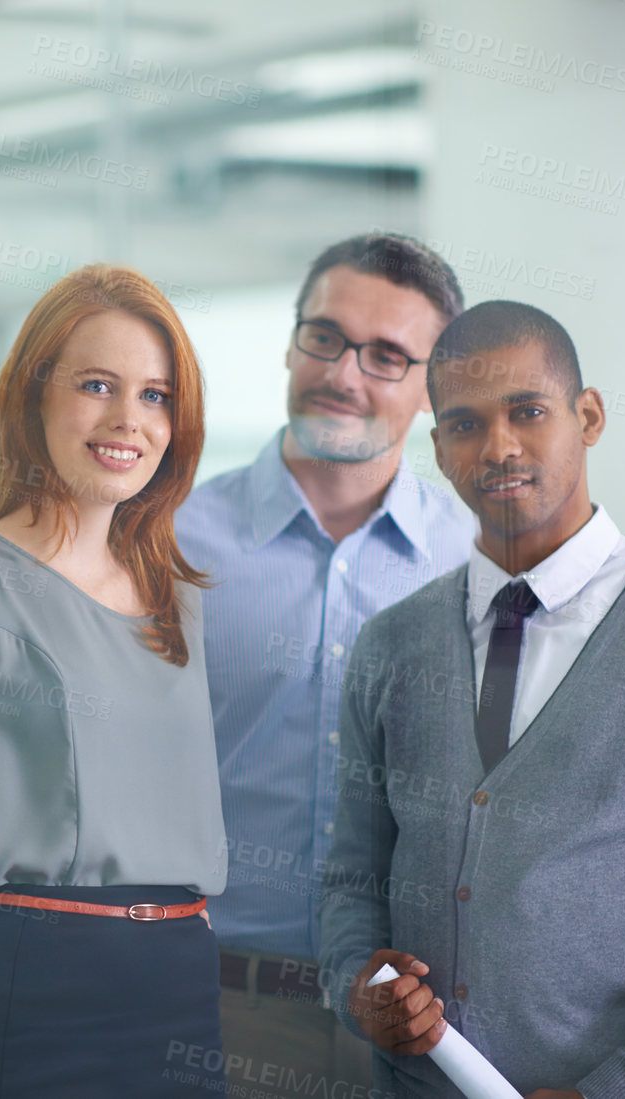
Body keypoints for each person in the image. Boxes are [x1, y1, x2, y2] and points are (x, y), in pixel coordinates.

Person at [318, 300, 625, 1096]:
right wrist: (356, 989)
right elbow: (351, 879)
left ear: (587, 416)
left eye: (527, 411)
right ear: (439, 447)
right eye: (464, 424)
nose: (499, 446)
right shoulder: (391, 647)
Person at [0, 264, 228, 1099]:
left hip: (178, 996)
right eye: (96, 385)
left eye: (155, 395)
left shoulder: (177, 600)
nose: (126, 420)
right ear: (32, 396)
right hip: (31, 998)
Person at [173, 232, 473, 1094]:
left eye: (386, 356)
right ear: (290, 341)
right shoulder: (170, 542)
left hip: (431, 1020)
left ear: (431, 388)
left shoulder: (477, 563)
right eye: (325, 337)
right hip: (225, 1009)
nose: (344, 373)